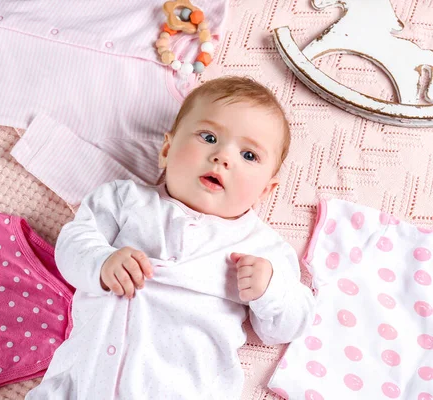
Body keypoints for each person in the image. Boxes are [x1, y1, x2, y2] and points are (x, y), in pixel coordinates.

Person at [27, 76, 316, 400]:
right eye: (208, 137)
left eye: (249, 156)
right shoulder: (125, 199)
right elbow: (72, 244)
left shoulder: (264, 248)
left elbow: (289, 325)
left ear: (265, 190)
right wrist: (102, 261)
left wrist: (271, 289)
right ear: (167, 149)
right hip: (81, 383)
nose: (223, 157)